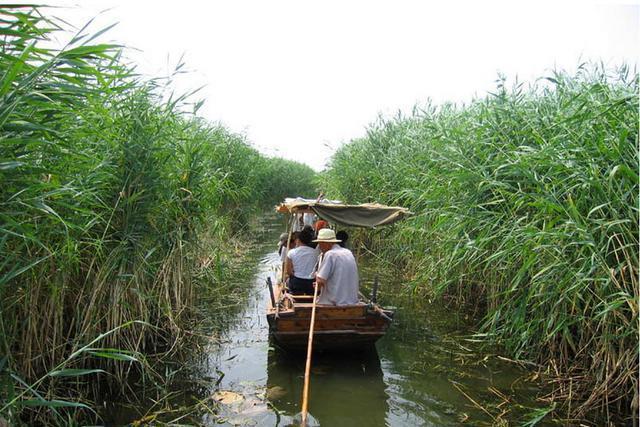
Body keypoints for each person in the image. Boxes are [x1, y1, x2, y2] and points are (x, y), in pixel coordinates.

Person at [313, 228, 359, 305]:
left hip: (334, 302)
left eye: (320, 243)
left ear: (326, 243)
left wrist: (317, 278)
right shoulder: (348, 252)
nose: (319, 247)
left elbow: (320, 280)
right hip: (352, 301)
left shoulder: (330, 254)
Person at [286, 227, 318, 294]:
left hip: (297, 283)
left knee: (289, 281)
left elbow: (289, 272)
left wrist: (296, 274)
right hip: (311, 283)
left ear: (298, 240)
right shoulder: (316, 252)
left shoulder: (291, 252)